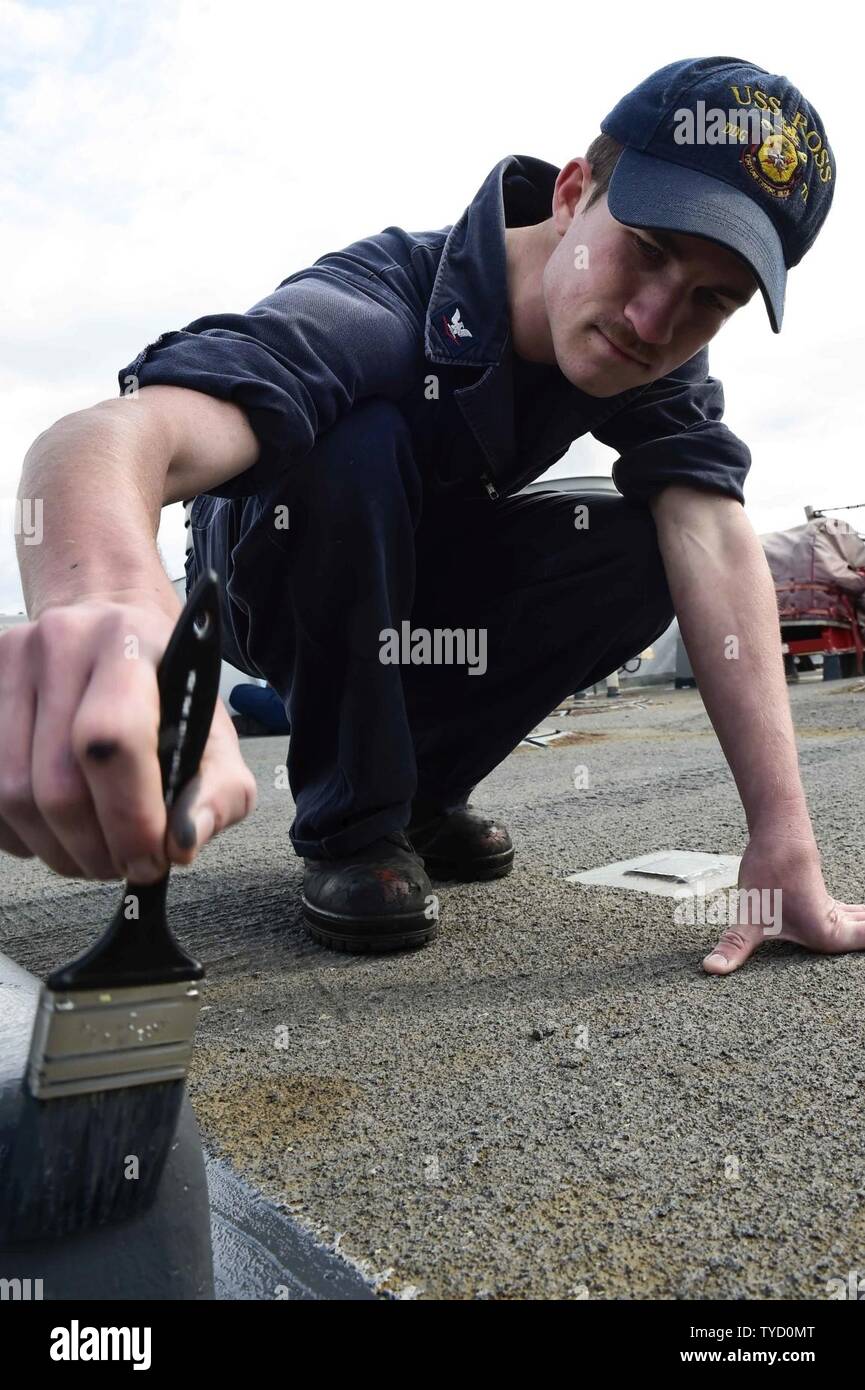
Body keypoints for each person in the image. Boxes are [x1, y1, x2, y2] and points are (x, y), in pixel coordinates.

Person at [6, 56, 863, 972]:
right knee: (358, 445)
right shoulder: (373, 306)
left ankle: (418, 796)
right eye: (647, 250)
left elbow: (714, 536)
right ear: (572, 193)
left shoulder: (652, 359)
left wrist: (784, 842)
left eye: (710, 301)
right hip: (274, 569)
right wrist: (112, 609)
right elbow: (102, 440)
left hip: (421, 583)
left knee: (648, 543)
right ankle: (354, 824)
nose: (654, 321)